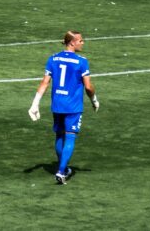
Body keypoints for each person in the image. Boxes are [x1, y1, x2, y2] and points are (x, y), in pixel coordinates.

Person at [29, 30, 99, 185]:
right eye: (80, 40)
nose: (83, 43)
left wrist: (35, 103)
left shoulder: (53, 58)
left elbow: (45, 83)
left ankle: (63, 167)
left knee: (59, 136)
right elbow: (88, 87)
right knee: (70, 136)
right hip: (73, 106)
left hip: (57, 104)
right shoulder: (81, 61)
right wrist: (94, 100)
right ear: (72, 42)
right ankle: (61, 171)